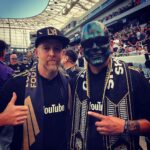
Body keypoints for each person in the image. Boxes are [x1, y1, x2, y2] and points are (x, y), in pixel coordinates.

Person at [70, 21, 150, 150]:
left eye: (101, 40)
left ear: (111, 44)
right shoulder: (75, 82)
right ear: (82, 50)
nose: (95, 47)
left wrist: (125, 126)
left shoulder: (134, 78)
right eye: (89, 43)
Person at [0, 26, 71, 150]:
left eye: (57, 49)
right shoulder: (16, 84)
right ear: (36, 52)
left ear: (62, 53)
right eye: (46, 48)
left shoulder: (69, 84)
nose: (52, 53)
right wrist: (2, 119)